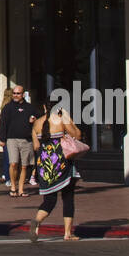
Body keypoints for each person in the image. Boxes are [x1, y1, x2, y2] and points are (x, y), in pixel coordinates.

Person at [31, 99, 81, 241]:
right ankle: (67, 233)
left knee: (49, 200)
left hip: (45, 166)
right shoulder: (61, 120)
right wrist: (67, 118)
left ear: (44, 107)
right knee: (68, 197)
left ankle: (37, 222)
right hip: (62, 164)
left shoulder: (36, 123)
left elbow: (36, 146)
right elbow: (77, 135)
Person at [0, 85, 40, 197]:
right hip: (12, 139)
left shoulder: (30, 108)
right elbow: (3, 124)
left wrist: (34, 120)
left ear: (23, 94)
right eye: (14, 93)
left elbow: (39, 120)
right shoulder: (8, 108)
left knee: (24, 165)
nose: (15, 95)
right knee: (14, 163)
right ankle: (13, 186)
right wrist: (2, 139)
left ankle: (21, 189)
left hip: (26, 139)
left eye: (18, 93)